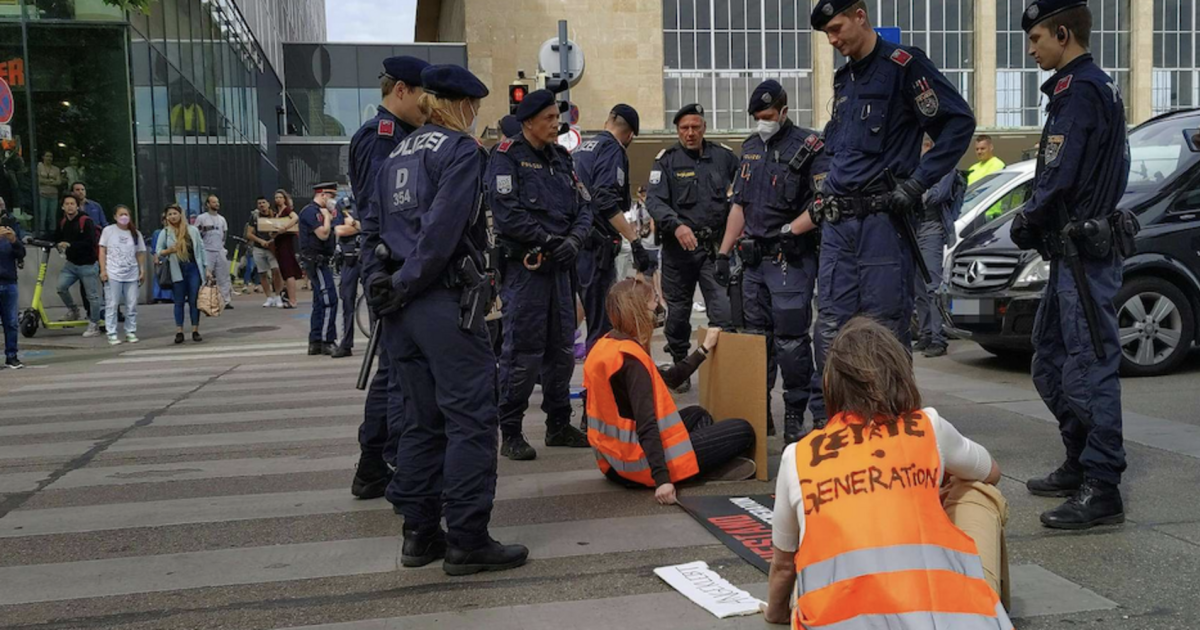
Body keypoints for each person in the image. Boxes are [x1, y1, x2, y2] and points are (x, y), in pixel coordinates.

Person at [368, 63, 527, 575]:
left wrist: (385, 284)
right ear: (458, 105)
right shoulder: (460, 151)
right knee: (471, 419)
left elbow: (374, 228)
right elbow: (441, 233)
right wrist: (408, 281)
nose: (476, 115)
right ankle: (467, 538)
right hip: (442, 299)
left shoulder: (395, 154)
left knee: (420, 420)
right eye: (474, 107)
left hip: (400, 309)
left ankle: (419, 534)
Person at [762, 317, 1012, 627]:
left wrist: (775, 614)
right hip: (941, 619)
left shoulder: (798, 456)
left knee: (808, 562)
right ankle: (985, 605)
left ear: (830, 385)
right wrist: (933, 483)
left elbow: (783, 565)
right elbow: (990, 471)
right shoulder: (927, 427)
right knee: (978, 491)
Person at [806, 0, 976, 426]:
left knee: (884, 331)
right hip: (839, 227)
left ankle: (893, 432)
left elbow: (957, 123)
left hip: (882, 224)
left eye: (837, 28)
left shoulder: (904, 66)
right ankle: (836, 429)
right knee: (831, 329)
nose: (833, 40)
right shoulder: (845, 79)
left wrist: (918, 183)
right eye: (827, 33)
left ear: (860, 15)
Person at [1010, 0, 1132, 530]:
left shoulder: (1079, 90)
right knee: (1051, 359)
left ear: (1063, 34)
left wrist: (1026, 217)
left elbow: (1059, 174)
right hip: (1070, 255)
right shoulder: (1090, 87)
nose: (1031, 49)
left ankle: (1102, 486)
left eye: (1037, 38)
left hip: (1083, 256)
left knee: (1088, 366)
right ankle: (1080, 460)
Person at [487, 88, 595, 461]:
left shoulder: (562, 159)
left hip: (561, 270)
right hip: (527, 271)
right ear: (528, 121)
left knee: (562, 350)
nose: (556, 124)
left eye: (556, 117)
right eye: (548, 118)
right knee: (523, 352)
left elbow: (585, 207)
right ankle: (511, 431)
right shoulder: (507, 157)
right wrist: (550, 241)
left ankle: (558, 424)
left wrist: (574, 241)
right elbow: (508, 214)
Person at [715, 80, 822, 444]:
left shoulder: (809, 146)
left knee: (791, 342)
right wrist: (723, 252)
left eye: (769, 115)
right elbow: (740, 205)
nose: (763, 122)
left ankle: (794, 414)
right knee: (755, 342)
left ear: (784, 111)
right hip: (753, 262)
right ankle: (760, 413)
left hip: (790, 258)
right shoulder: (749, 149)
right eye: (758, 117)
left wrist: (792, 230)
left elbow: (822, 202)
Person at [584, 278, 757, 504]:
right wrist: (662, 480)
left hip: (613, 463)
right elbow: (647, 424)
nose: (658, 308)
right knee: (743, 430)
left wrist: (703, 349)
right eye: (653, 303)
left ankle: (696, 464)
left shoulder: (607, 346)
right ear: (639, 311)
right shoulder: (632, 362)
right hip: (639, 466)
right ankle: (688, 471)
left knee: (698, 415)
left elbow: (669, 379)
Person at [351, 54, 429, 500]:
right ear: (401, 90)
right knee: (397, 375)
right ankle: (386, 462)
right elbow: (377, 210)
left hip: (400, 265)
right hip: (390, 265)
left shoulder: (405, 136)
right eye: (423, 97)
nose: (427, 107)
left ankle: (375, 464)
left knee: (397, 371)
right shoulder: (381, 137)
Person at [648, 103, 739, 393]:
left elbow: (743, 192)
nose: (690, 133)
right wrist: (676, 225)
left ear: (704, 128)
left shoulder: (724, 157)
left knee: (724, 312)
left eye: (695, 127)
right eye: (684, 128)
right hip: (679, 253)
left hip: (713, 250)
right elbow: (654, 201)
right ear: (677, 130)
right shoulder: (666, 161)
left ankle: (722, 371)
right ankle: (680, 366)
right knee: (677, 316)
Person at [573, 104, 654, 350]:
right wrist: (635, 241)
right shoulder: (612, 149)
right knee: (602, 326)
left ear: (608, 120)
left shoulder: (581, 149)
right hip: (596, 248)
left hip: (575, 244)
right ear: (630, 135)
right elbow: (605, 200)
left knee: (577, 314)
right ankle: (599, 374)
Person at [914, 135, 966, 358]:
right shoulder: (918, 167)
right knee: (918, 288)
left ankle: (938, 338)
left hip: (931, 228)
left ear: (928, 146)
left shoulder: (945, 167)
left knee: (932, 287)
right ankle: (926, 334)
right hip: (915, 228)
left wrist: (913, 191)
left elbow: (936, 196)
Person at [298, 182, 342, 356]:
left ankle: (315, 341)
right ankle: (327, 340)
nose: (334, 200)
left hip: (320, 261)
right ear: (322, 194)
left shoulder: (322, 212)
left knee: (319, 302)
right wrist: (327, 218)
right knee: (330, 300)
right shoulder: (311, 212)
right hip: (316, 261)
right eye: (332, 196)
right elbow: (323, 234)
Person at [156, 204, 208, 344]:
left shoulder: (192, 230)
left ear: (180, 214)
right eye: (169, 214)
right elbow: (158, 251)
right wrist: (169, 251)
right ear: (166, 217)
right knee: (178, 301)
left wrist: (206, 268)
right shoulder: (165, 232)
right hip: (176, 269)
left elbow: (201, 249)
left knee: (194, 301)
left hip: (193, 268)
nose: (173, 217)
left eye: (175, 213)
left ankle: (195, 330)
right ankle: (179, 331)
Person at [53, 194, 102, 337]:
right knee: (61, 287)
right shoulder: (63, 222)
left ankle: (94, 324)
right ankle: (73, 310)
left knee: (92, 296)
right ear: (63, 207)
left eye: (72, 204)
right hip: (71, 264)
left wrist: (70, 245)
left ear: (77, 206)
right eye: (67, 204)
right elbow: (55, 236)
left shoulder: (86, 221)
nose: (70, 206)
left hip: (88, 264)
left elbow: (90, 242)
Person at [98, 205, 146, 345]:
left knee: (131, 305)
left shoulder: (135, 234)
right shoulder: (108, 231)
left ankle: (130, 331)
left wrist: (142, 270)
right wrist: (103, 270)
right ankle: (111, 333)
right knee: (112, 304)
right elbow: (102, 251)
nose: (124, 217)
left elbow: (140, 252)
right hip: (113, 273)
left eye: (126, 214)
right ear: (115, 217)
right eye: (121, 214)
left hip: (131, 273)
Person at [332, 196, 361, 358]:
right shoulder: (343, 204)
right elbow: (339, 230)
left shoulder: (372, 199)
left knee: (374, 300)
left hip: (369, 257)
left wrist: (354, 224)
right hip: (349, 259)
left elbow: (377, 227)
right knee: (347, 301)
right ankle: (346, 344)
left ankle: (378, 343)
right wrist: (362, 226)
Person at [0, 200, 26, 368]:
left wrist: (14, 240)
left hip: (9, 280)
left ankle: (12, 356)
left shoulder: (11, 224)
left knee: (11, 322)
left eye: (2, 205)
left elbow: (21, 253)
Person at [195, 194, 233, 309]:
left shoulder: (222, 219)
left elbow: (224, 234)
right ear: (208, 204)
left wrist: (222, 246)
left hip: (219, 250)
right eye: (214, 202)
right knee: (205, 276)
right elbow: (196, 234)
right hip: (207, 250)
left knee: (224, 276)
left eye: (217, 202)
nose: (216, 204)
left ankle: (225, 301)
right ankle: (204, 300)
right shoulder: (201, 218)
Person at [246, 196, 284, 307]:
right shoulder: (254, 217)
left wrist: (272, 240)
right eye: (259, 203)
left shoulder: (275, 215)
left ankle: (278, 296)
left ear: (268, 204)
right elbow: (249, 234)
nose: (261, 205)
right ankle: (269, 297)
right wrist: (260, 241)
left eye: (263, 202)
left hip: (273, 248)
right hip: (259, 248)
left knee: (276, 271)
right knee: (262, 273)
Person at [272, 189, 302, 309]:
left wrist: (285, 227)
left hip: (286, 244)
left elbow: (295, 217)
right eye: (276, 197)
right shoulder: (276, 213)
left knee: (289, 272)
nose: (278, 199)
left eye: (280, 197)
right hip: (279, 244)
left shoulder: (287, 210)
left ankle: (293, 300)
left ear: (285, 199)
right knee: (284, 272)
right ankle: (289, 298)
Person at [36, 151, 61, 236]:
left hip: (53, 195)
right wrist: (51, 181)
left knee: (52, 215)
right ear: (43, 157)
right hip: (42, 194)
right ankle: (41, 231)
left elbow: (59, 182)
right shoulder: (39, 166)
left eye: (51, 156)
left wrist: (46, 182)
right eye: (47, 156)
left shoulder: (56, 169)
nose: (49, 158)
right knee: (42, 215)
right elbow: (38, 180)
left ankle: (52, 232)